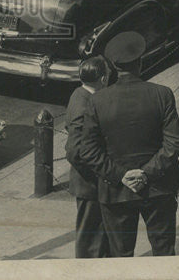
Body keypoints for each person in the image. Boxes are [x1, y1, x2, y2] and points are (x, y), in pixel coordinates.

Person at [76, 32, 179, 258]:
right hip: (159, 187)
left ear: (113, 67)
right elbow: (174, 143)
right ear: (141, 61)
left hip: (116, 192)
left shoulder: (98, 101)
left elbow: (88, 151)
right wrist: (146, 173)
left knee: (121, 255)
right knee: (164, 251)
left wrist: (121, 175)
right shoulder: (162, 94)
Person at [65, 56, 112, 259]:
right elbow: (75, 151)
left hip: (90, 183)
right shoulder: (84, 104)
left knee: (99, 236)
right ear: (102, 79)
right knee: (90, 241)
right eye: (108, 74)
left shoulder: (79, 93)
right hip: (90, 184)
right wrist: (101, 172)